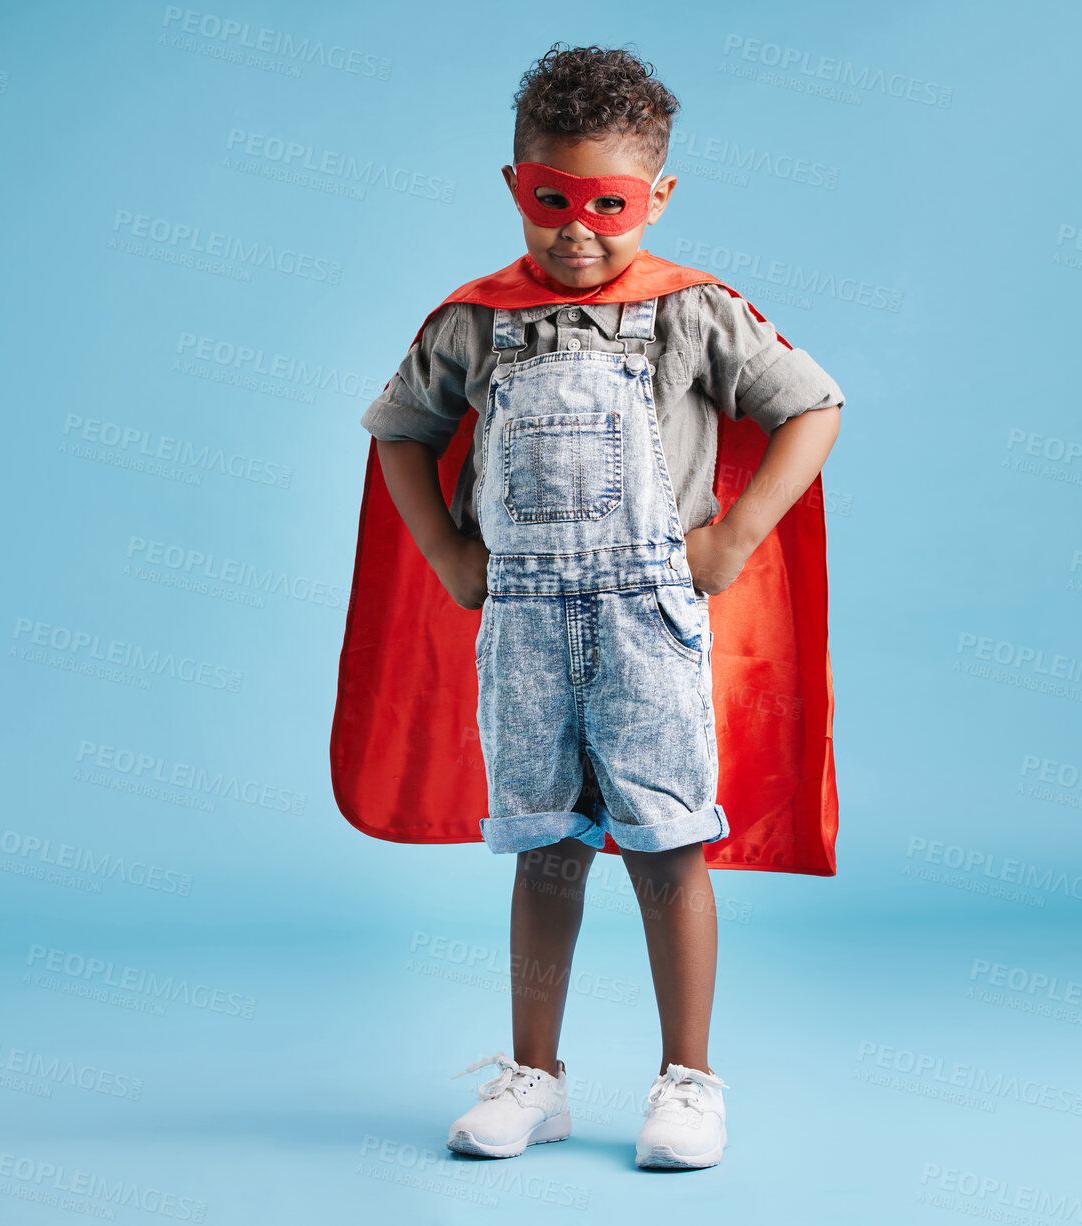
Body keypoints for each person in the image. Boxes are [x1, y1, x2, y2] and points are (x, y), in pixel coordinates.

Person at [352, 43, 843, 1171]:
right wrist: (448, 555)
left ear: (658, 197)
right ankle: (538, 1076)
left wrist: (730, 538)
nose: (579, 230)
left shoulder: (692, 312)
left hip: (648, 618)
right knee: (545, 846)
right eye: (552, 200)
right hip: (521, 620)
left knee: (667, 844)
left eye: (609, 205)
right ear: (516, 184)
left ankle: (688, 1079)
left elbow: (810, 407)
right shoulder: (474, 323)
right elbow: (400, 432)